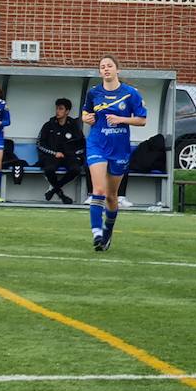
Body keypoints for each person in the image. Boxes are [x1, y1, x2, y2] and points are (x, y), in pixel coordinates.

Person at [82, 55, 147, 251]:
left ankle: (107, 232)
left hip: (119, 148)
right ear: (100, 72)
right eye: (102, 67)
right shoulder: (94, 93)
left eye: (109, 66)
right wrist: (87, 118)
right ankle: (97, 234)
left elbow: (142, 120)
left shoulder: (130, 94)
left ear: (117, 70)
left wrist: (121, 120)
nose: (106, 69)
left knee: (111, 196)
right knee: (99, 190)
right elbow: (85, 113)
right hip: (97, 144)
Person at [37, 97, 84, 204]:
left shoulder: (74, 126)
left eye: (61, 109)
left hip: (69, 157)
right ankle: (61, 195)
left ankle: (54, 189)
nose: (58, 111)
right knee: (49, 169)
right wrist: (54, 153)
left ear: (67, 111)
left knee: (76, 169)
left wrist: (73, 154)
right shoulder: (49, 125)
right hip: (52, 156)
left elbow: (81, 144)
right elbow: (39, 143)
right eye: (57, 109)